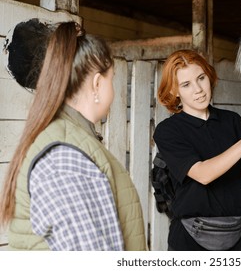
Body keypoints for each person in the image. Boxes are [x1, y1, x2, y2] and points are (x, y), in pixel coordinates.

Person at [0, 21, 146, 251]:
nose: (113, 90)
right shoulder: (64, 158)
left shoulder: (71, 139)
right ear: (97, 83)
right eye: (111, 78)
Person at [153, 49, 241, 251]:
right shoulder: (168, 131)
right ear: (175, 91)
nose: (198, 89)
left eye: (201, 78)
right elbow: (203, 174)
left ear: (209, 77)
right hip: (192, 240)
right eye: (186, 84)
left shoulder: (232, 121)